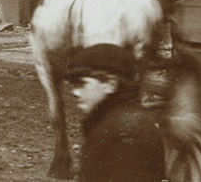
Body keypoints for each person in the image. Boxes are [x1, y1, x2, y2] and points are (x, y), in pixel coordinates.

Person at [64, 43, 165, 182]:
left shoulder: (120, 132)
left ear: (110, 84)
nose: (74, 92)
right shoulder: (118, 120)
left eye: (81, 83)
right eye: (73, 85)